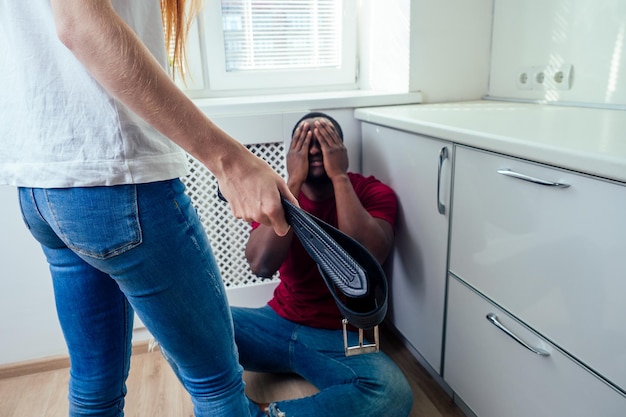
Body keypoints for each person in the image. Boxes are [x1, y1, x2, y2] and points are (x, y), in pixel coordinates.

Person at [0, 1, 296, 416]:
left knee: (93, 386)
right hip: (118, 182)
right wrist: (230, 162)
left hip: (43, 187)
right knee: (217, 386)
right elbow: (80, 24)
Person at [234, 112, 414, 417]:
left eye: (325, 141)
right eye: (305, 143)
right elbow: (261, 264)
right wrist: (292, 182)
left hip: (339, 336)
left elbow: (365, 260)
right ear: (292, 153)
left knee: (393, 395)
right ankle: (229, 406)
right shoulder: (275, 195)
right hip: (275, 323)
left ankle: (261, 415)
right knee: (185, 328)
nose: (315, 149)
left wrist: (339, 177)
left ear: (341, 150)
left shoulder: (373, 193)